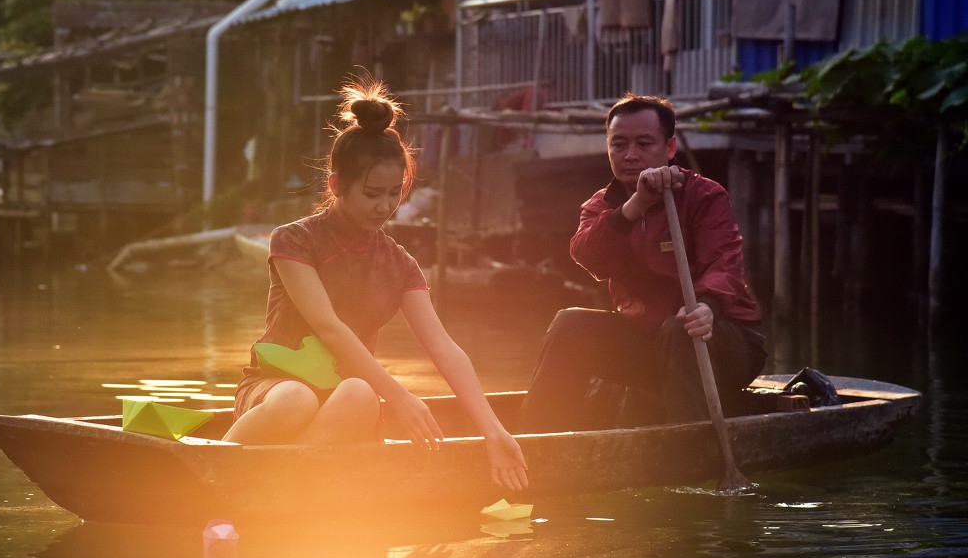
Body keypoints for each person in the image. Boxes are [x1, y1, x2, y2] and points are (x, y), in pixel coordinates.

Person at [224, 79, 529, 492]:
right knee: (297, 399)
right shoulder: (294, 240)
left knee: (360, 393)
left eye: (393, 194)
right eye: (371, 194)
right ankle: (213, 473)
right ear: (336, 186)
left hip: (342, 410)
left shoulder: (399, 264)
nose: (384, 207)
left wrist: (493, 430)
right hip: (273, 390)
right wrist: (401, 397)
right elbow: (329, 327)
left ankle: (282, 493)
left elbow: (444, 347)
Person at [515, 94, 767, 432]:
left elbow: (725, 266)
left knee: (681, 329)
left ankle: (686, 454)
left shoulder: (704, 195)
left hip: (718, 343)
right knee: (569, 323)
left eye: (644, 143)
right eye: (618, 145)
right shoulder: (600, 205)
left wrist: (707, 306)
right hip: (647, 345)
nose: (630, 155)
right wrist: (635, 204)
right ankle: (537, 443)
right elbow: (589, 258)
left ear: (670, 147)